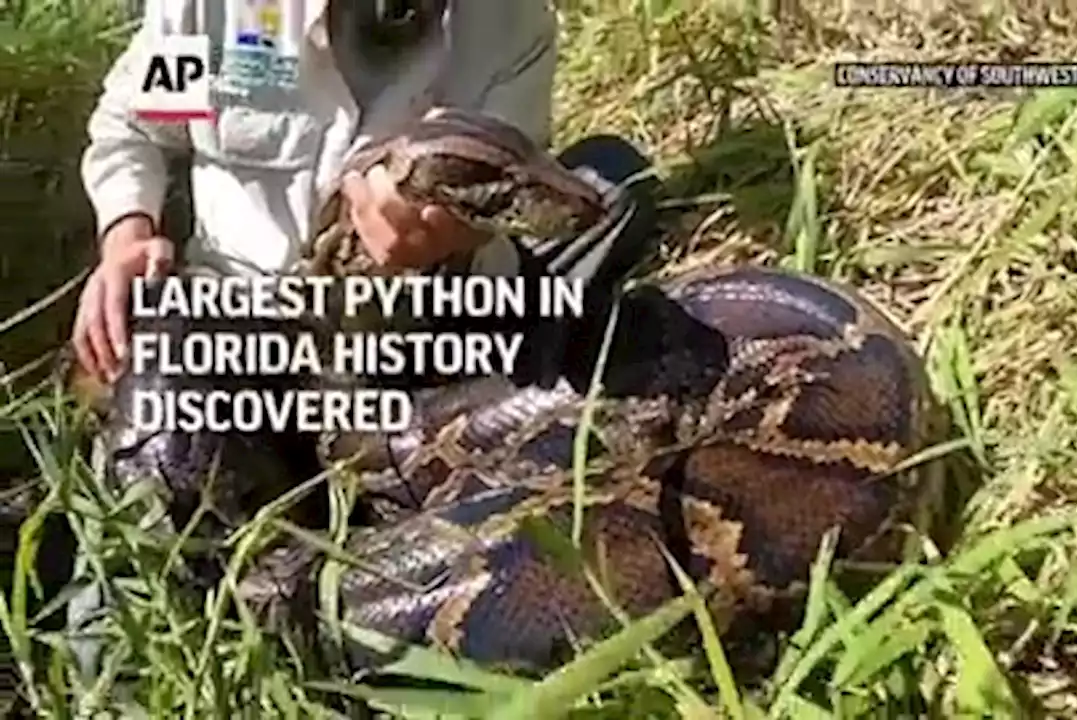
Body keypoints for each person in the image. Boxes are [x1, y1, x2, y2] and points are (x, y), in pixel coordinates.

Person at [65, 0, 660, 678]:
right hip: (249, 322)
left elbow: (512, 172)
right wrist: (127, 234)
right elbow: (134, 129)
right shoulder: (213, 11)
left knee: (614, 180)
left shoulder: (511, 20)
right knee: (154, 473)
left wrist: (450, 244)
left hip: (441, 318)